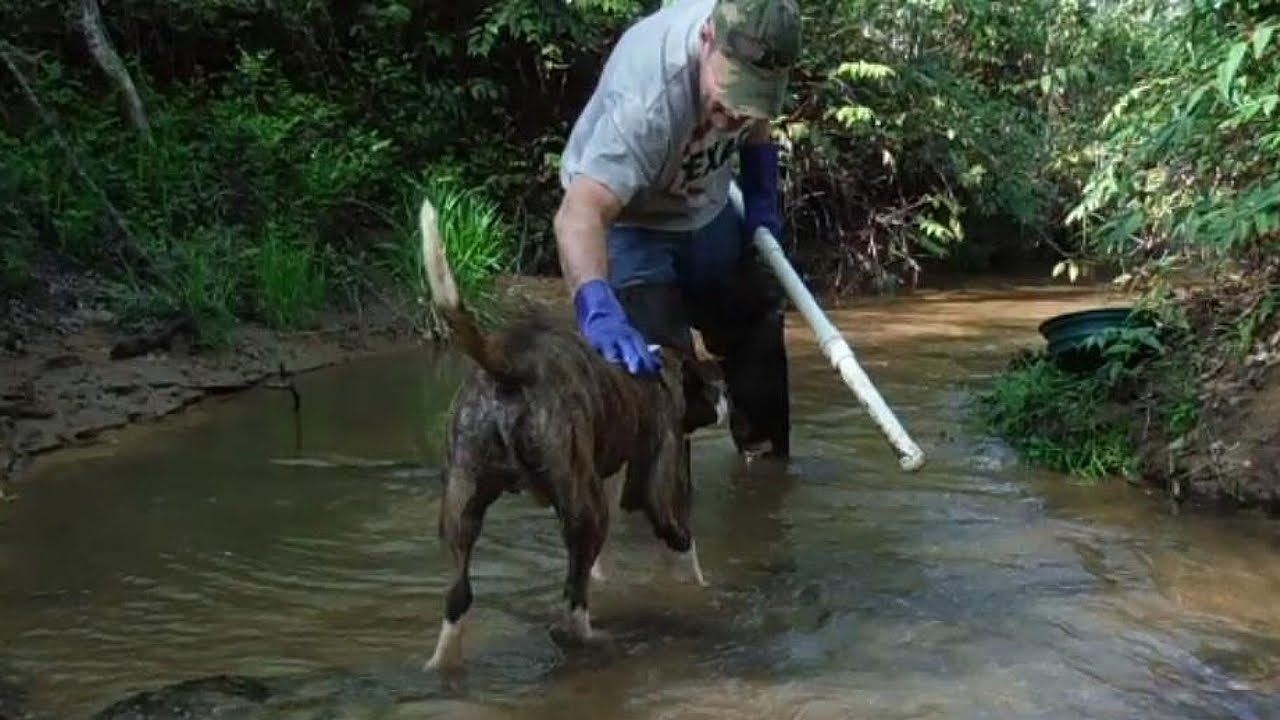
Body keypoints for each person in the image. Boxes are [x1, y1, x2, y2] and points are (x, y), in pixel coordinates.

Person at [552, 0, 801, 461]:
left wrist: (763, 199)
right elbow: (578, 214)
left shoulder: (753, 38)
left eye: (752, 100)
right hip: (631, 221)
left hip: (704, 209)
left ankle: (766, 478)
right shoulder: (645, 101)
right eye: (729, 98)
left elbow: (758, 127)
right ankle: (657, 513)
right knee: (659, 379)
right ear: (707, 41)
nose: (735, 117)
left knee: (757, 315)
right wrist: (596, 305)